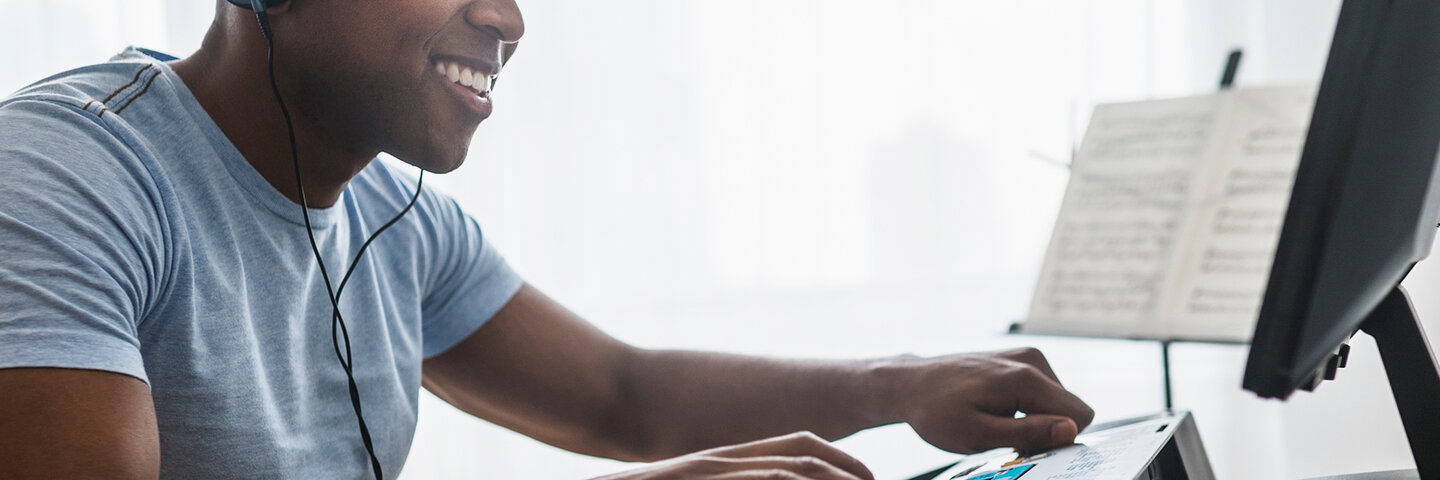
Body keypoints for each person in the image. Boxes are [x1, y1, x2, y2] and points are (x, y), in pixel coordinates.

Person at [0, 0, 1093, 478]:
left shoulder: (399, 219)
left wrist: (899, 386)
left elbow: (623, 398)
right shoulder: (69, 175)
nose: (510, 19)